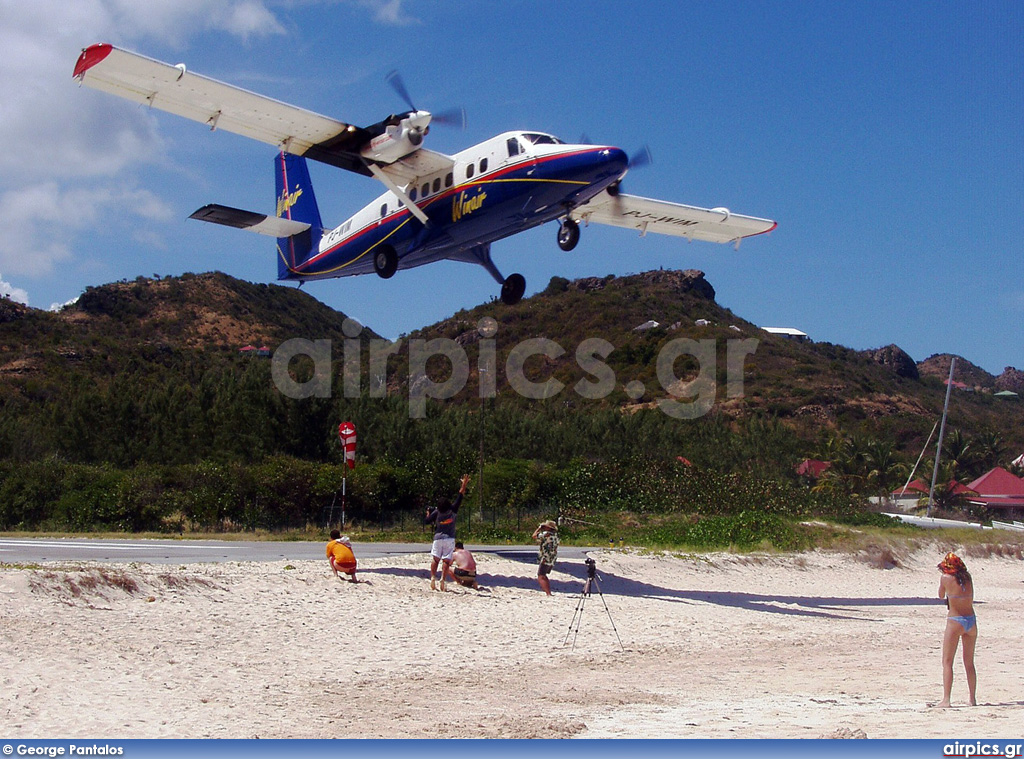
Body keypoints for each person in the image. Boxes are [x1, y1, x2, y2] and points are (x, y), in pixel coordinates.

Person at [933, 552, 977, 708]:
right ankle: (972, 699)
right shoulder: (967, 578)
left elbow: (940, 595)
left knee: (947, 661)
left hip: (955, 621)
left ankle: (946, 700)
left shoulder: (945, 578)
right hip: (971, 620)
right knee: (969, 662)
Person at [425, 474, 470, 591]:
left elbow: (427, 521)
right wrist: (464, 484)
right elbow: (460, 496)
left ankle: (433, 577)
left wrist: (428, 513)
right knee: (446, 560)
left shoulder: (437, 512)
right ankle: (443, 580)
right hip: (449, 538)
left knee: (435, 559)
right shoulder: (453, 510)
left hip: (438, 538)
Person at [532, 519, 559, 595]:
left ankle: (548, 593)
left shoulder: (547, 534)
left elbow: (534, 536)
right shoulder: (555, 535)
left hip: (546, 556)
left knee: (541, 575)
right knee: (543, 574)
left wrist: (539, 528)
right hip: (552, 556)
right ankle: (548, 592)